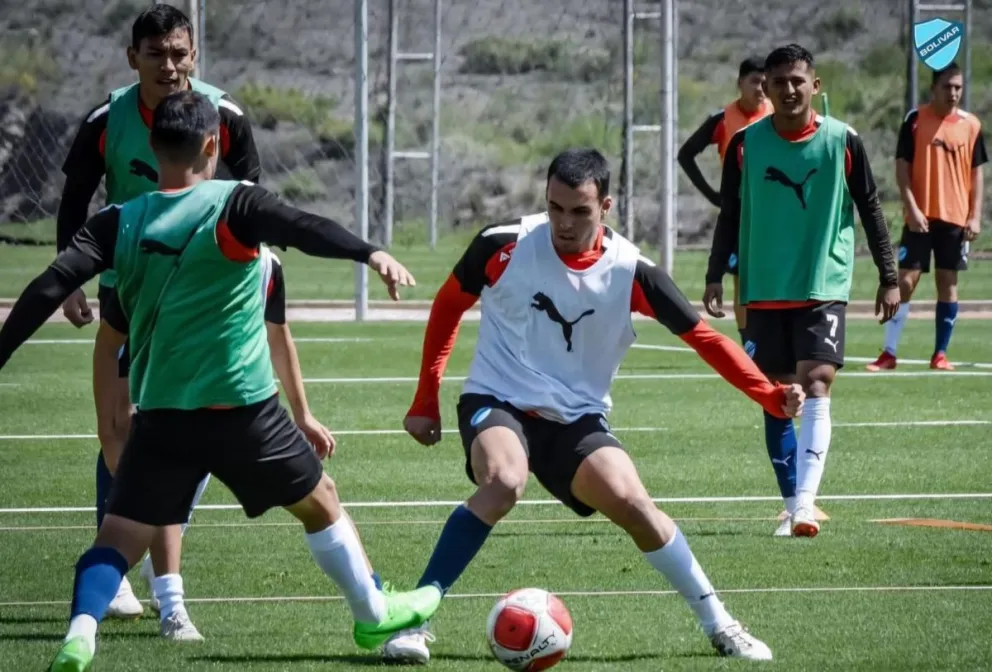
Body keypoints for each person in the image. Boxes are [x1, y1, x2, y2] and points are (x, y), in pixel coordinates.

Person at [0, 90, 440, 672]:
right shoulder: (235, 204)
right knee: (321, 503)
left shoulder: (118, 222)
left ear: (153, 145)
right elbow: (303, 227)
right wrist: (370, 253)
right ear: (212, 145)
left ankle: (80, 635)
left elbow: (51, 285)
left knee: (118, 536)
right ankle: (371, 613)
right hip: (243, 411)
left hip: (159, 416)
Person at [382, 148, 805, 664]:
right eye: (555, 207)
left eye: (579, 211)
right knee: (504, 481)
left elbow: (703, 338)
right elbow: (448, 305)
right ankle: (413, 620)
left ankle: (721, 624)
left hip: (576, 418)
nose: (564, 223)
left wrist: (768, 393)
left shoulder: (633, 271)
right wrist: (425, 397)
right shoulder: (503, 245)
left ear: (606, 206)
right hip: (498, 398)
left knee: (636, 505)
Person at [54, 3, 263, 633]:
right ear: (132, 57)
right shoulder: (105, 119)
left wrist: (255, 275)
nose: (169, 65)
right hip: (131, 290)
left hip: (202, 295)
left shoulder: (223, 115)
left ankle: (152, 570)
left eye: (180, 52)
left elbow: (251, 196)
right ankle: (117, 563)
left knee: (179, 426)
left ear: (193, 54)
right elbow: (74, 202)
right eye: (156, 53)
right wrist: (71, 282)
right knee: (119, 427)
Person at [703, 44, 900, 538]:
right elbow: (730, 213)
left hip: (822, 282)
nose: (789, 89)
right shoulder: (746, 145)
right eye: (779, 82)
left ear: (816, 86)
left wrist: (889, 275)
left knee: (816, 383)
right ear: (764, 90)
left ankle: (807, 505)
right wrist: (712, 275)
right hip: (765, 285)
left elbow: (870, 208)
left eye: (798, 80)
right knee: (777, 396)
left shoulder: (843, 141)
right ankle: (790, 502)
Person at [680, 56, 804, 536]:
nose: (763, 90)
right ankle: (750, 339)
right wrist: (716, 196)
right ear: (743, 85)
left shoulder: (782, 126)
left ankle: (801, 496)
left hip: (782, 241)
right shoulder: (728, 124)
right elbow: (686, 153)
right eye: (756, 83)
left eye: (766, 83)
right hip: (742, 225)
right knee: (741, 289)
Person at [866, 62, 986, 371]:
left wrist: (975, 216)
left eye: (958, 87)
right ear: (933, 87)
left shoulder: (971, 124)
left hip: (956, 218)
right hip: (920, 218)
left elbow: (977, 173)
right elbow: (902, 168)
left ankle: (940, 355)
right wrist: (913, 208)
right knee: (905, 282)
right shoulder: (915, 120)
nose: (954, 92)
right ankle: (889, 353)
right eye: (947, 86)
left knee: (948, 283)